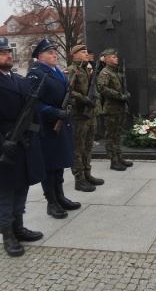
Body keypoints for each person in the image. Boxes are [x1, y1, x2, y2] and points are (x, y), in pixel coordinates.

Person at [0, 37, 45, 257]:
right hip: (5, 144)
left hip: (24, 143)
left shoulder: (19, 79)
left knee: (22, 188)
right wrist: (2, 142)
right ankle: (7, 235)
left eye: (9, 51)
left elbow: (32, 109)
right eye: (3, 53)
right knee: (5, 194)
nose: (9, 55)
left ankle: (19, 227)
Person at [27, 39, 80, 219]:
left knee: (59, 164)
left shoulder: (56, 71)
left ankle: (60, 197)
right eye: (50, 53)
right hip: (48, 127)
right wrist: (54, 112)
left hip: (61, 125)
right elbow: (34, 102)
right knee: (49, 166)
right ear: (40, 57)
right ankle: (51, 202)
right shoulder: (36, 73)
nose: (55, 55)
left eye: (54, 52)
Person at [65, 45, 104, 192]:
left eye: (87, 51)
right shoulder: (72, 70)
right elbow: (69, 90)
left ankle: (88, 174)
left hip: (90, 114)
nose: (86, 54)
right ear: (75, 55)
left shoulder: (87, 69)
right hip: (79, 115)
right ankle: (79, 179)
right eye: (83, 52)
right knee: (78, 148)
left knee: (88, 147)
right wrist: (83, 98)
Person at [97, 48, 133, 171]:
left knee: (118, 135)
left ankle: (119, 157)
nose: (116, 58)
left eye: (116, 56)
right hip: (111, 109)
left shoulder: (117, 73)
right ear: (106, 60)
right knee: (111, 135)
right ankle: (113, 160)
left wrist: (125, 94)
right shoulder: (105, 72)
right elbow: (102, 88)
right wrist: (120, 96)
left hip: (120, 108)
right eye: (113, 57)